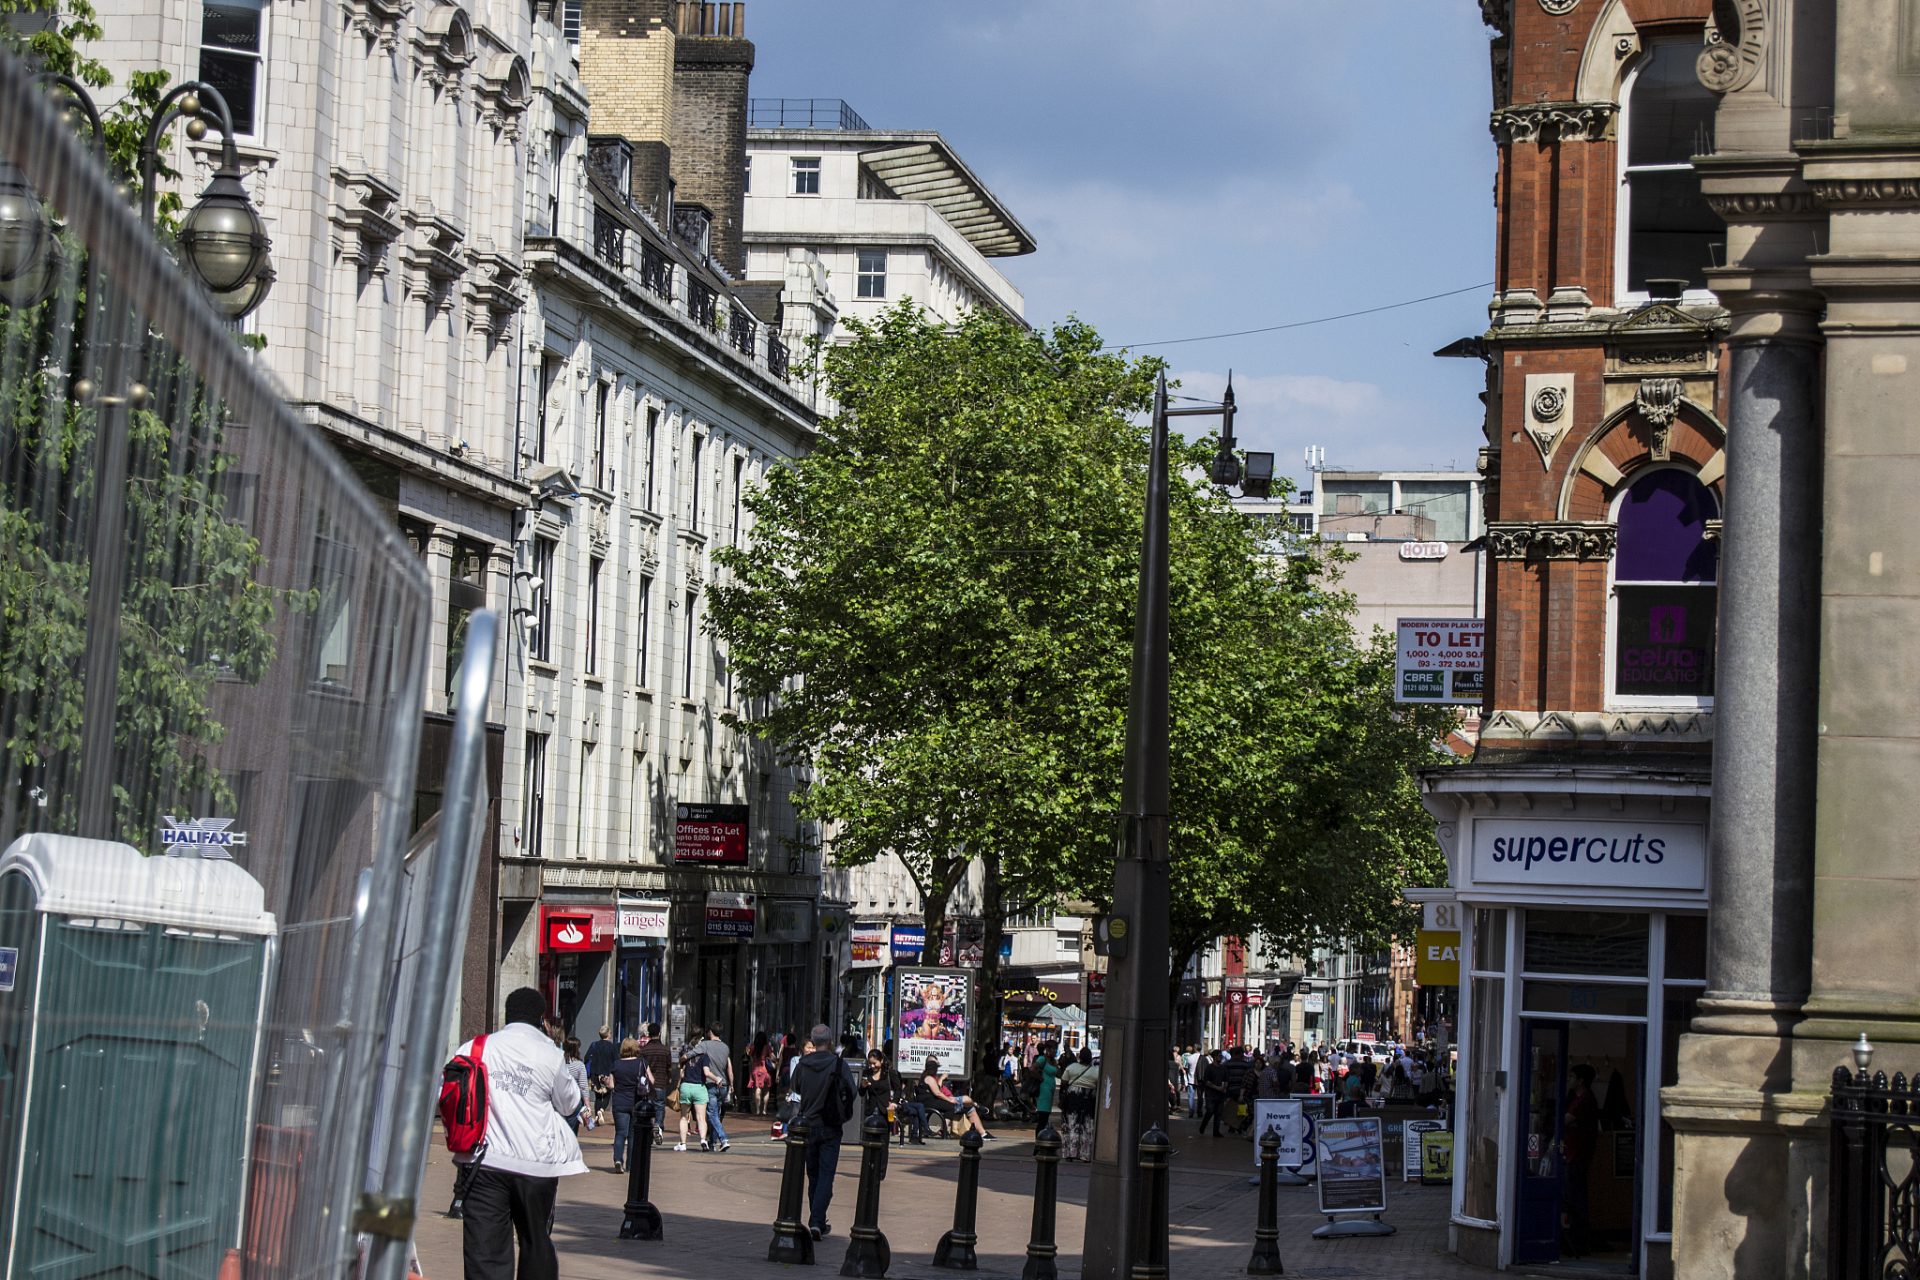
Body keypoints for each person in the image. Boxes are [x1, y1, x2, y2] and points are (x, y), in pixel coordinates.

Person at [453, 987, 588, 1280]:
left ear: (507, 1014)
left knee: (484, 1251)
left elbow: (447, 1091)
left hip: (482, 1162)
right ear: (542, 1019)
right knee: (535, 1241)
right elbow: (569, 1104)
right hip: (535, 1165)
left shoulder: (474, 1048)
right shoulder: (550, 1055)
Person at [791, 1025, 858, 1241]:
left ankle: (817, 1219)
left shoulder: (803, 1064)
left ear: (813, 1040)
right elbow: (852, 1091)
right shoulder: (838, 1064)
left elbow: (796, 1087)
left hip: (808, 1124)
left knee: (813, 1176)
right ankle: (817, 1221)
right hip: (830, 1125)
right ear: (829, 1041)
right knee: (826, 1175)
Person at [1561, 1064, 1600, 1257]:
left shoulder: (1584, 1100)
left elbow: (1565, 1121)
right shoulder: (1579, 1100)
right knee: (1572, 1200)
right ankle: (1575, 1241)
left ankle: (1580, 1243)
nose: (1569, 1080)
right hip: (1572, 1156)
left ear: (1580, 1080)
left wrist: (1570, 1121)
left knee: (1576, 1202)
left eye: (1572, 1077)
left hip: (1577, 1158)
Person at [921, 1058, 994, 1139]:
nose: (937, 1071)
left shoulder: (929, 1078)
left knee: (969, 1107)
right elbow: (937, 1093)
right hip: (932, 1102)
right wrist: (950, 1100)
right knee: (963, 1102)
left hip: (938, 1100)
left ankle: (983, 1133)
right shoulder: (929, 1078)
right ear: (931, 1070)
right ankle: (943, 1129)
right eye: (936, 1069)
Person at [609, 1038, 651, 1173]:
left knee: (620, 1133)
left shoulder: (616, 1064)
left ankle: (617, 1160)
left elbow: (611, 1085)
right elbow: (651, 1080)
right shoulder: (642, 1063)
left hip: (619, 1102)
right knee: (633, 1135)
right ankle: (631, 1164)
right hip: (636, 1102)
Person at [693, 1021, 734, 1153]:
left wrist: (683, 1058)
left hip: (712, 1083)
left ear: (710, 1032)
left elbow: (692, 1054)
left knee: (712, 1114)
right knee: (716, 1114)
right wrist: (731, 1084)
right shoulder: (725, 1047)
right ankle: (712, 1143)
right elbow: (730, 1069)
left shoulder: (705, 1045)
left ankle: (724, 1139)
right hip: (724, 1085)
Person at [674, 1041, 721, 1152]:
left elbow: (681, 1074)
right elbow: (706, 1072)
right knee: (701, 1118)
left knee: (684, 1117)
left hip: (686, 1086)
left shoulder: (686, 1057)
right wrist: (717, 1079)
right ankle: (703, 1140)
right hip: (699, 1087)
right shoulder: (704, 1057)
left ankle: (683, 1143)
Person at [1058, 1048, 1099, 1161]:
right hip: (1089, 1099)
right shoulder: (1096, 1070)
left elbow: (1064, 1082)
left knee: (1071, 1125)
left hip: (1072, 1099)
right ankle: (1085, 1155)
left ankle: (1070, 1154)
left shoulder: (1072, 1067)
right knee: (1087, 1126)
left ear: (1079, 1057)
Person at [636, 1023, 672, 1139]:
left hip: (647, 1084)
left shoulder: (644, 1051)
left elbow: (640, 1068)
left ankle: (649, 1128)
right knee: (660, 1106)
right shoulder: (665, 1050)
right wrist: (669, 1077)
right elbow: (669, 1067)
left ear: (649, 1035)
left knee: (648, 1106)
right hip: (660, 1083)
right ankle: (658, 1125)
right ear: (659, 1034)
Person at [584, 1025, 617, 1128]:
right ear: (608, 1034)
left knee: (598, 1096)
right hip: (607, 1074)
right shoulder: (612, 1046)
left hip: (595, 1074)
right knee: (607, 1095)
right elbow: (616, 1060)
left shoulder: (594, 1045)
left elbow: (586, 1058)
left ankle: (597, 1116)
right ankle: (602, 1110)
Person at [560, 1037, 589, 1134]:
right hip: (574, 1101)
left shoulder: (560, 1063)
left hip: (560, 1100)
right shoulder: (579, 1065)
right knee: (571, 1131)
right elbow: (583, 1086)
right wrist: (587, 1105)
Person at [747, 1031, 774, 1115]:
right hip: (765, 1070)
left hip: (756, 1069)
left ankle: (758, 1109)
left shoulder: (753, 1048)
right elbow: (773, 1057)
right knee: (766, 1090)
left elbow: (751, 1061)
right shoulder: (767, 1047)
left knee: (757, 1089)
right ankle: (764, 1110)